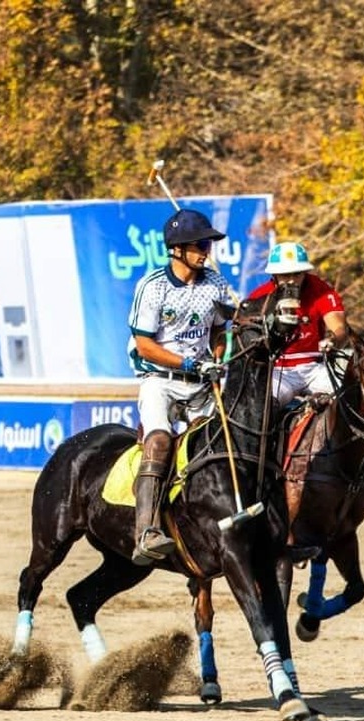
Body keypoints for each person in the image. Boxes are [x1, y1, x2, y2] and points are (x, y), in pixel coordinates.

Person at [246, 240, 364, 507]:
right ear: (274, 275)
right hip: (279, 370)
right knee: (259, 412)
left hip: (313, 367)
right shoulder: (260, 297)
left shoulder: (321, 290)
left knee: (358, 404)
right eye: (285, 274)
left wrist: (332, 341)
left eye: (297, 273)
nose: (292, 279)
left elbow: (338, 327)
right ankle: (257, 479)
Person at [126, 207, 232, 565]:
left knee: (224, 445)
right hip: (160, 381)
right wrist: (189, 362)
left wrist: (216, 357)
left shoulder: (215, 284)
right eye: (200, 244)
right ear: (177, 249)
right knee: (158, 441)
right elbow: (145, 345)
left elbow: (219, 330)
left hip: (202, 382)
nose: (207, 250)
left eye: (208, 243)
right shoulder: (153, 287)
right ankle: (148, 529)